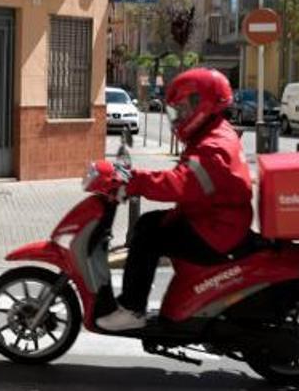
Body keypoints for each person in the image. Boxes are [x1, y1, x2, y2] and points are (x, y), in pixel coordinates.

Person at [96, 67, 254, 332]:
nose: (179, 116)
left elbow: (179, 183)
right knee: (148, 224)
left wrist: (132, 180)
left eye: (182, 108)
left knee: (148, 236)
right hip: (215, 219)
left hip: (216, 229)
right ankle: (138, 303)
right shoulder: (214, 132)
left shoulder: (212, 147)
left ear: (201, 104)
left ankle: (133, 309)